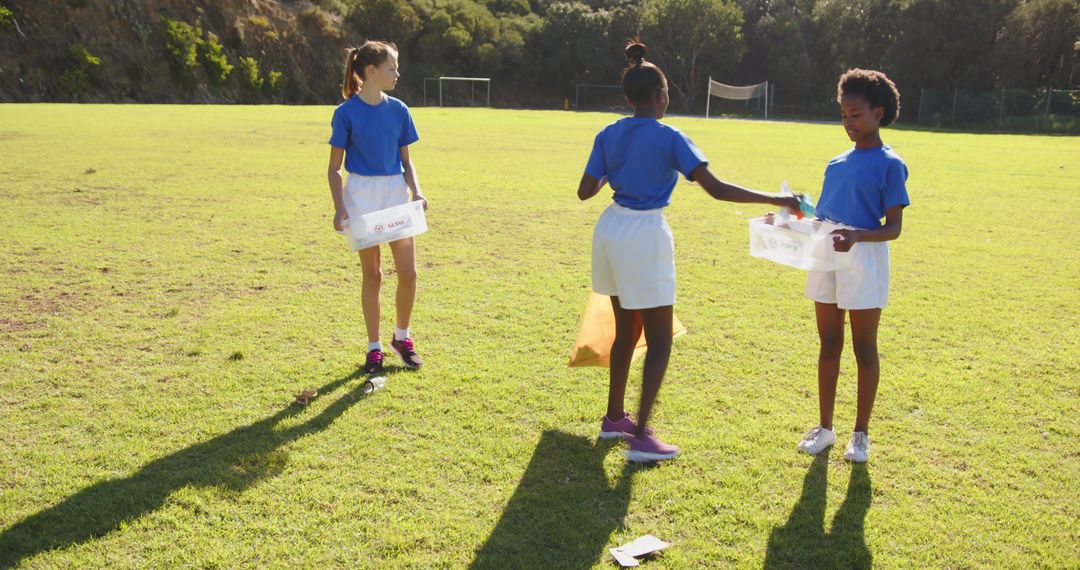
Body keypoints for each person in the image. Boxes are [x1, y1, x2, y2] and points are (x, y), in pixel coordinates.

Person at [580, 42, 802, 462]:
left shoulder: (608, 133)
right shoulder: (670, 136)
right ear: (662, 95)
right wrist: (777, 198)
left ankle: (614, 420)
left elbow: (584, 191)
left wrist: (617, 166)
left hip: (609, 229)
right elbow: (716, 189)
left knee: (627, 330)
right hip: (644, 234)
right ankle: (642, 437)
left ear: (628, 99)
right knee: (660, 340)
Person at [794, 68, 910, 463]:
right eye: (843, 115)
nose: (848, 122)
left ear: (879, 113)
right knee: (829, 343)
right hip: (827, 253)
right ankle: (825, 428)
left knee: (864, 347)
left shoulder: (890, 164)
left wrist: (858, 236)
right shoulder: (835, 162)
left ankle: (860, 434)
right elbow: (826, 214)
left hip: (864, 257)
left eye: (856, 114)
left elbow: (893, 228)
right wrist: (797, 216)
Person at [327, 40, 428, 375]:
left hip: (395, 192)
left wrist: (417, 191)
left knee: (409, 273)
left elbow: (407, 162)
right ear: (371, 71)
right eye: (392, 68)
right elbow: (334, 168)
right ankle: (374, 348)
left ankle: (402, 337)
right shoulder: (345, 113)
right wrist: (340, 208)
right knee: (372, 275)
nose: (397, 73)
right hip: (362, 196)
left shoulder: (399, 110)